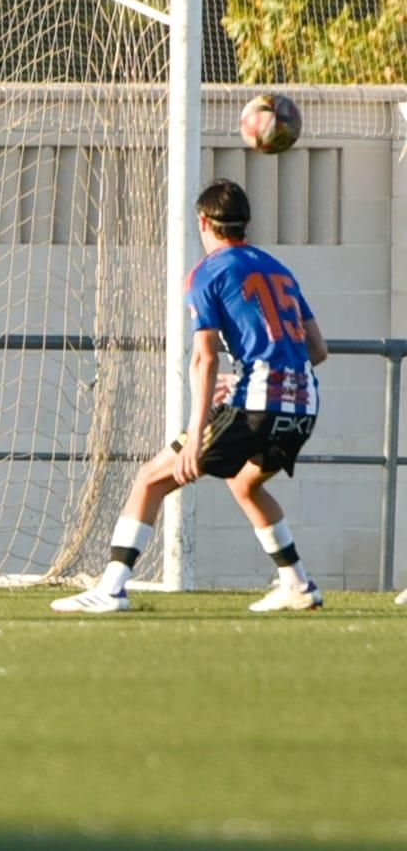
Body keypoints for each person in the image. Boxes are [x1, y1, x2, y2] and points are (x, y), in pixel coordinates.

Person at [53, 178, 328, 614]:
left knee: (151, 478)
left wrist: (197, 431)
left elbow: (204, 358)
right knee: (245, 484)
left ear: (203, 222)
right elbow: (318, 350)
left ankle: (111, 588)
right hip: (305, 408)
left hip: (255, 406)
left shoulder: (208, 273)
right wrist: (256, 378)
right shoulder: (278, 268)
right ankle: (296, 583)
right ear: (245, 224)